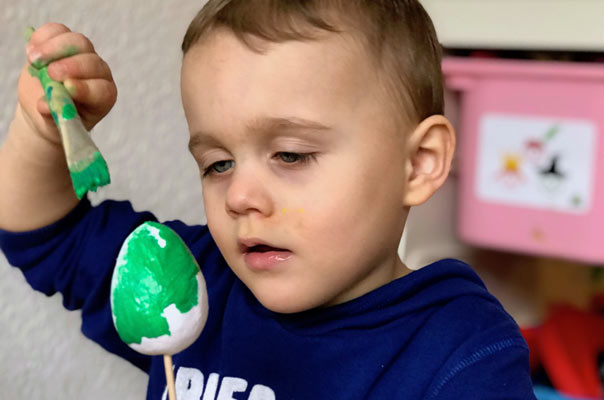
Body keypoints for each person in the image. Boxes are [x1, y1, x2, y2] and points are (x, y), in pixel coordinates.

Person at [0, 1, 536, 399]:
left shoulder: (462, 355)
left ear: (418, 164)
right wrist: (41, 130)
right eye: (217, 163)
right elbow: (43, 236)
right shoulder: (190, 280)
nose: (239, 195)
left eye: (291, 154)